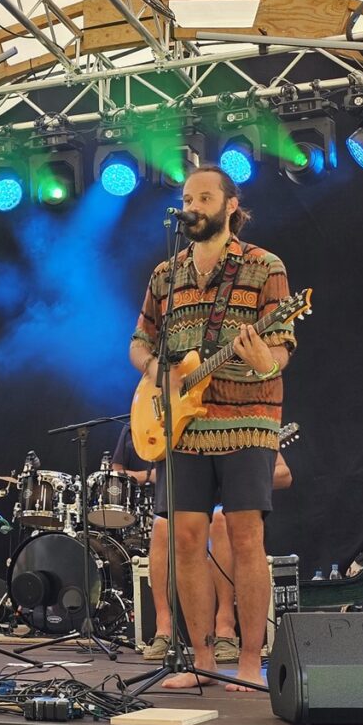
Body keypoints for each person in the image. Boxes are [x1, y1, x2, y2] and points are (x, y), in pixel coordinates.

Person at [129, 165, 296, 690]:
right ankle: (200, 661)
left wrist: (265, 362)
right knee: (185, 537)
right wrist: (159, 372)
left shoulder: (264, 266)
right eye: (187, 198)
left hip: (248, 419)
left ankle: (248, 662)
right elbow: (139, 343)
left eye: (204, 197)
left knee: (246, 535)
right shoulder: (166, 273)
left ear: (230, 206)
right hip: (182, 423)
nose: (192, 206)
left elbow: (281, 348)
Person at [111, 425, 291, 663]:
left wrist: (235, 479)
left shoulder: (246, 427)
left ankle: (225, 625)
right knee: (162, 526)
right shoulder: (144, 427)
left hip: (226, 505)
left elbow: (284, 475)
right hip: (185, 495)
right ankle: (164, 626)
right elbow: (116, 474)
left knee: (220, 521)